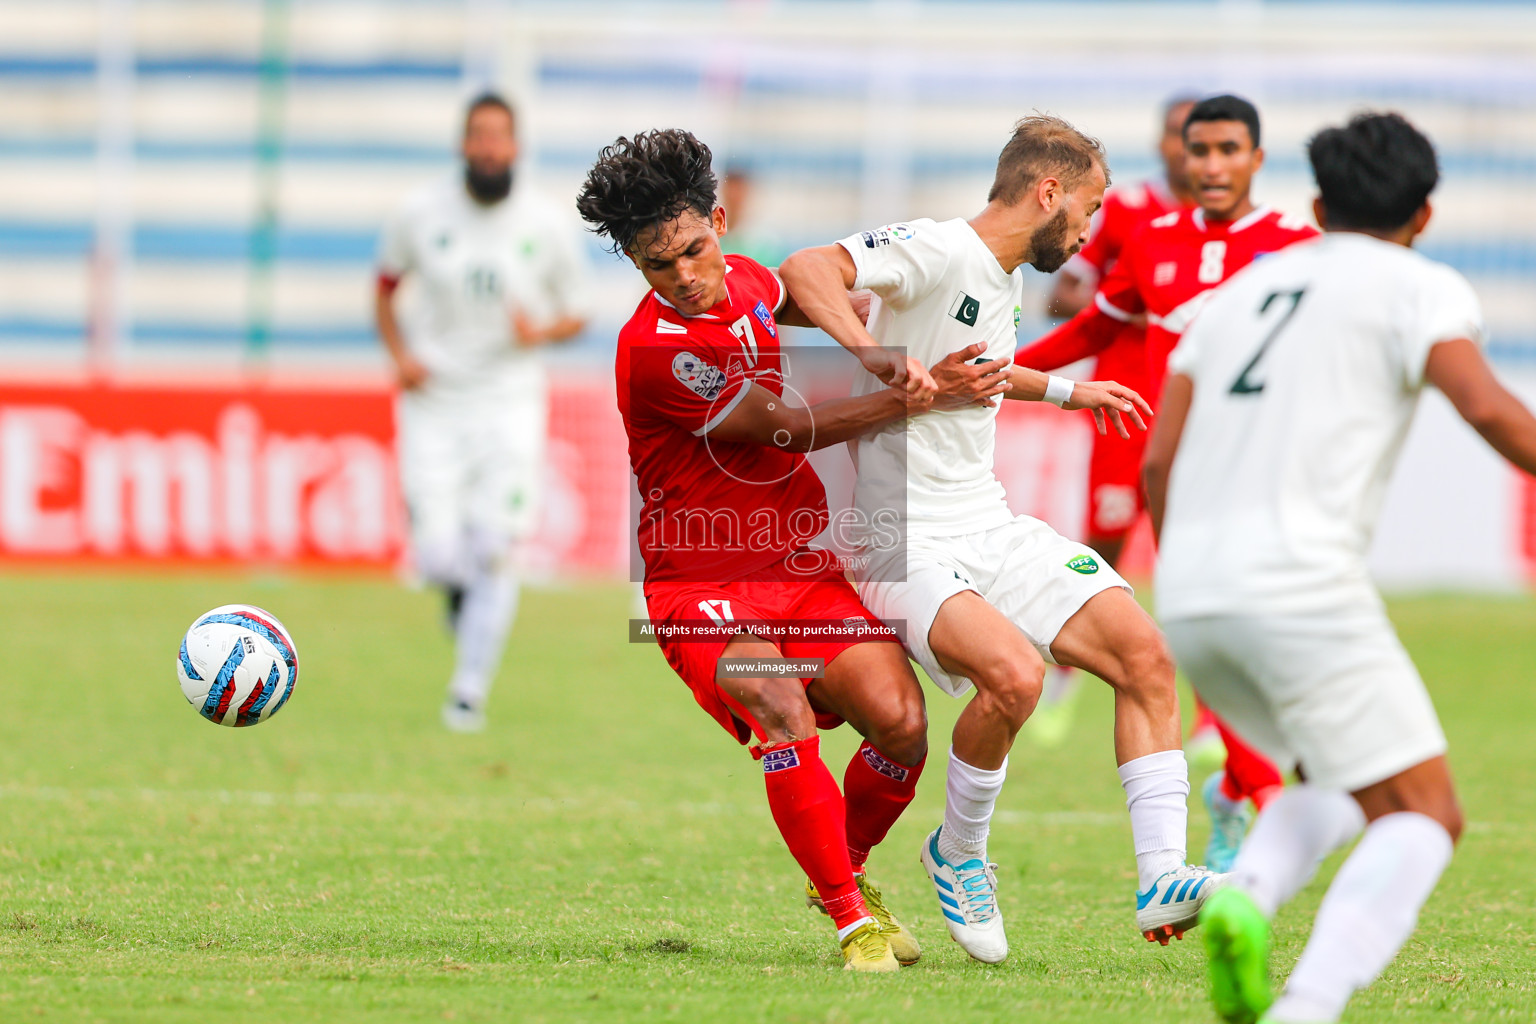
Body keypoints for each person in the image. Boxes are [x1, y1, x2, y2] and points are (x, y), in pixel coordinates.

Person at [779, 114, 1221, 964]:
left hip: (986, 519)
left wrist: (1066, 391)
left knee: (1144, 655)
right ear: (1047, 192)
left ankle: (1163, 872)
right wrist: (875, 355)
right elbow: (806, 270)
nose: (1089, 234)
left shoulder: (1003, 272)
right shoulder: (940, 247)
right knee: (1015, 676)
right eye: (1088, 209)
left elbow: (978, 369)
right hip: (900, 538)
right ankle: (960, 850)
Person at [576, 126, 1013, 971]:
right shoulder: (655, 352)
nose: (687, 276)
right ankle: (855, 923)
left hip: (799, 567)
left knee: (902, 724)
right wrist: (921, 392)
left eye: (695, 250)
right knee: (775, 701)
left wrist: (845, 315)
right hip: (699, 580)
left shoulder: (741, 280)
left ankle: (839, 872)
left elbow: (786, 296)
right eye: (660, 266)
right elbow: (783, 430)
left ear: (720, 219)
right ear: (637, 267)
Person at [1144, 111, 1536, 1024]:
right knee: (1426, 815)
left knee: (1333, 783)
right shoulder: (1419, 285)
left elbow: (1160, 460)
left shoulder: (1242, 291)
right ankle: (1308, 1005)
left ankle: (1244, 891)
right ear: (1425, 215)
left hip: (1195, 593)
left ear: (1316, 204)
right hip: (1301, 588)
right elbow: (1482, 406)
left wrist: (1194, 571)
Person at [1017, 94, 1305, 871]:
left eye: (1228, 151)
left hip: (1262, 467)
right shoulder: (1149, 237)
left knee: (1251, 632)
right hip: (1174, 467)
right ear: (1179, 153)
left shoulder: (1296, 247)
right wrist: (1006, 367)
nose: (1211, 165)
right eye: (1199, 149)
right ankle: (1260, 793)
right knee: (1209, 624)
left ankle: (1248, 787)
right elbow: (1100, 326)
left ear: (1256, 159)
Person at [376, 92, 592, 733]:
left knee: (498, 545)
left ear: (516, 146)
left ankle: (468, 690)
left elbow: (577, 312)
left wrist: (541, 334)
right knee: (439, 556)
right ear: (463, 144)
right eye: (479, 136)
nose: (490, 147)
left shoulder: (545, 222)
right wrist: (400, 354)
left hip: (509, 396)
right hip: (436, 397)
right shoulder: (419, 212)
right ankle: (456, 594)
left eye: (500, 136)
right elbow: (385, 289)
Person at [1024, 94, 1197, 751]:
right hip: (1127, 399)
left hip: (1198, 405)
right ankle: (1066, 673)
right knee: (1108, 543)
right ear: (1163, 142)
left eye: (1204, 140)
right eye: (1179, 136)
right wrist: (1106, 299)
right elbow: (1068, 290)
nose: (1189, 151)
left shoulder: (1236, 230)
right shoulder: (1126, 211)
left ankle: (1215, 717)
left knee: (1203, 553)